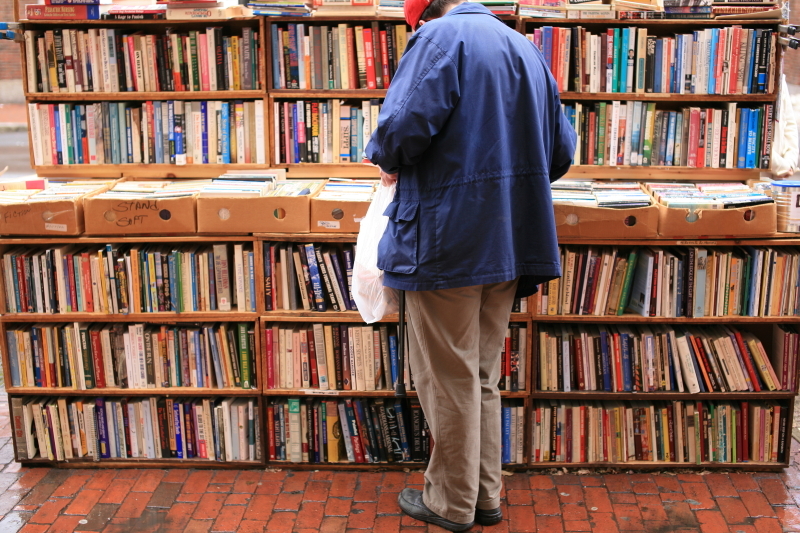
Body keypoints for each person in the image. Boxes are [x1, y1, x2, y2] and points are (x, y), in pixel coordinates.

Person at [363, 0, 577, 529]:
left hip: (445, 242)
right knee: (479, 374)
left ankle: (449, 503)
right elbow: (561, 153)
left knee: (446, 378)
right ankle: (484, 496)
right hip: (508, 240)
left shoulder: (436, 41)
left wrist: (389, 163)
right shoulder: (526, 50)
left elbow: (399, 132)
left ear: (422, 15)